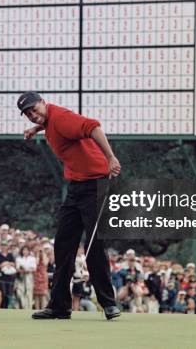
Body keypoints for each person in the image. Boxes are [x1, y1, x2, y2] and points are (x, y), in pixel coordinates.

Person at [18, 92, 121, 321]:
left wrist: (111, 158)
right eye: (28, 114)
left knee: (93, 245)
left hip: (95, 185)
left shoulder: (61, 117)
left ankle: (108, 304)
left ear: (44, 103)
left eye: (34, 109)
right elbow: (51, 127)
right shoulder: (50, 121)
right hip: (76, 188)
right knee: (63, 244)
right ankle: (59, 307)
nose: (33, 115)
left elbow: (93, 127)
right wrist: (35, 130)